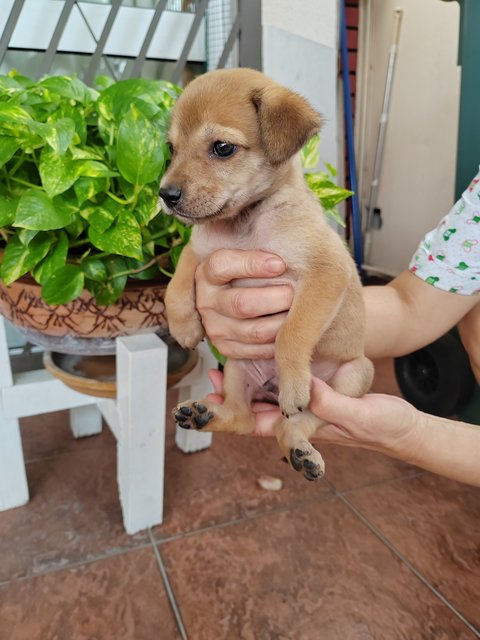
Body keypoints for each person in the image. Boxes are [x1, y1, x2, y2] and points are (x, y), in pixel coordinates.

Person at [193, 170, 480, 487]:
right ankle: (237, 409)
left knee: (356, 372)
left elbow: (329, 274)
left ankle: (297, 429)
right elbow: (411, 305)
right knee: (252, 361)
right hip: (287, 367)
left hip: (313, 375)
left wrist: (413, 436)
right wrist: (254, 320)